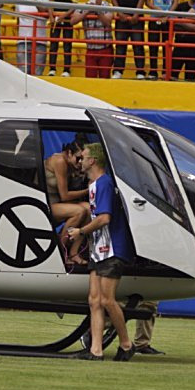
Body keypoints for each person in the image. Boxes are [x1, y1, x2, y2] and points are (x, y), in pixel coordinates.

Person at [68, 143, 136, 361]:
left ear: (93, 161)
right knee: (94, 300)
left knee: (107, 300)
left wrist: (80, 231)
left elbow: (105, 218)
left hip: (112, 248)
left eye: (84, 157)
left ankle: (126, 344)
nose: (80, 161)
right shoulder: (95, 184)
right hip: (100, 249)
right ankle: (95, 350)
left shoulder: (104, 183)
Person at [45, 142, 89, 265]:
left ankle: (74, 253)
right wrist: (88, 190)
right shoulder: (60, 161)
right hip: (45, 204)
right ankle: (60, 251)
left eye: (83, 159)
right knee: (79, 211)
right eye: (78, 158)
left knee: (88, 209)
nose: (80, 162)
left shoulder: (71, 165)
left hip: (57, 203)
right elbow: (64, 196)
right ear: (69, 153)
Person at [69, 0, 114, 78]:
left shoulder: (107, 6)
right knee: (90, 77)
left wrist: (97, 11)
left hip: (105, 49)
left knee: (105, 78)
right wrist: (86, 12)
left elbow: (108, 22)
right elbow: (72, 21)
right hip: (90, 49)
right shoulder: (84, 6)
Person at [110, 0, 147, 79]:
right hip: (121, 19)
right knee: (120, 45)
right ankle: (118, 71)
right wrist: (119, 12)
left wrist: (136, 13)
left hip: (136, 19)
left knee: (138, 46)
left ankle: (140, 72)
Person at [145, 0, 181, 80]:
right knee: (153, 46)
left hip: (169, 20)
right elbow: (147, 1)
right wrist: (157, 10)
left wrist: (167, 14)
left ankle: (166, 71)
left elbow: (176, 2)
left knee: (167, 46)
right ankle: (153, 71)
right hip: (154, 18)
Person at [15, 0, 49, 75]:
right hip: (23, 40)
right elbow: (18, 19)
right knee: (22, 73)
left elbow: (45, 14)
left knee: (37, 74)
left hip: (40, 40)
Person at [47, 0, 79, 77]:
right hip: (56, 21)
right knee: (53, 45)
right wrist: (52, 17)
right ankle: (52, 69)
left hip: (67, 21)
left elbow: (73, 7)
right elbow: (50, 4)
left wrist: (63, 16)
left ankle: (66, 70)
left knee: (67, 46)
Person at [170, 0, 195, 81]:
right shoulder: (180, 7)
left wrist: (183, 23)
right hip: (179, 46)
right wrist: (192, 26)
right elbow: (174, 25)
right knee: (172, 77)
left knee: (190, 80)